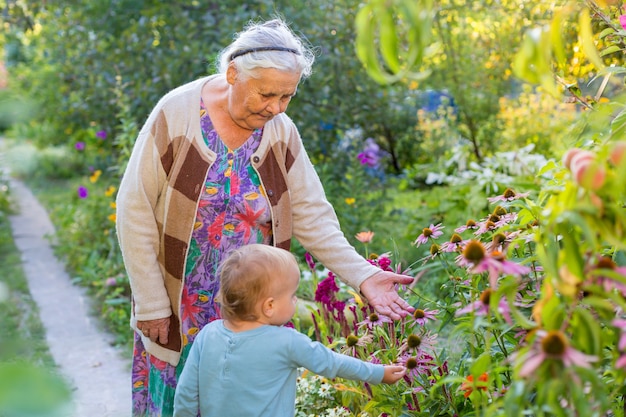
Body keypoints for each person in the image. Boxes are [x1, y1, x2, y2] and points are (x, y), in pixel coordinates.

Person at [115, 17, 414, 416]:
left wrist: (363, 274)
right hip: (177, 302)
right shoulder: (176, 114)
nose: (275, 107)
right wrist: (152, 302)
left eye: (286, 97)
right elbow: (134, 209)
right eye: (266, 94)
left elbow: (312, 214)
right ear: (233, 73)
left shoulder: (280, 132)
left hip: (252, 307)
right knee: (178, 400)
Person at [173, 244, 406, 417]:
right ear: (270, 306)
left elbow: (186, 392)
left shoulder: (208, 334)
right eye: (292, 296)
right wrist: (378, 373)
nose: (295, 301)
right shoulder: (287, 342)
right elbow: (333, 363)